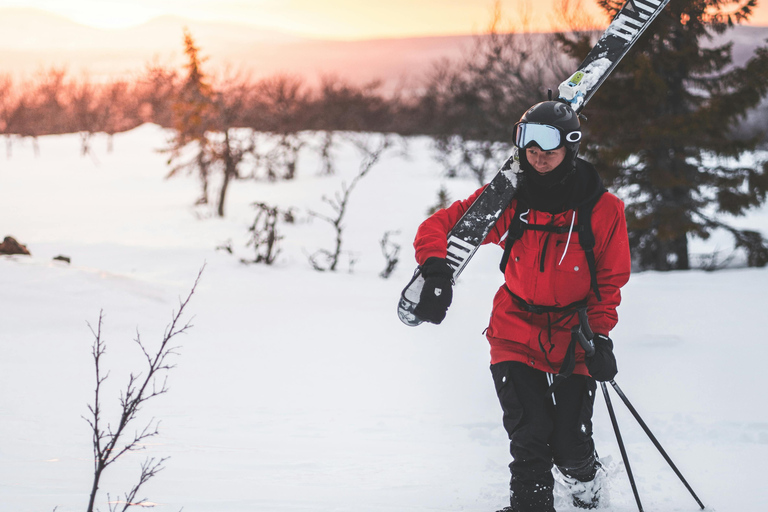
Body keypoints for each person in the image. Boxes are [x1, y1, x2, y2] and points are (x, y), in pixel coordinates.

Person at [412, 100, 631, 512]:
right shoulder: (509, 201)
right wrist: (437, 269)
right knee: (530, 434)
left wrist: (600, 336)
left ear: (571, 145)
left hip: (574, 332)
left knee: (568, 442)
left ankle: (586, 486)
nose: (537, 152)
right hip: (514, 329)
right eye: (527, 141)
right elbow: (437, 226)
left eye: (549, 143)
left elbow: (609, 282)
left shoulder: (603, 210)